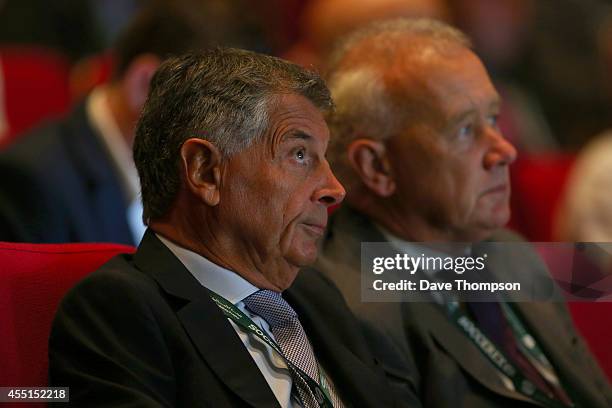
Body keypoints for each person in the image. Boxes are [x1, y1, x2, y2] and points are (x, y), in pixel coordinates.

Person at [48, 48, 404, 408]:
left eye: (324, 159)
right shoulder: (120, 310)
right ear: (205, 172)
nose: (334, 189)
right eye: (299, 155)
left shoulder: (315, 295)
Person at [316, 18, 612, 407]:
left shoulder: (509, 251)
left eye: (492, 119)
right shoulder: (347, 311)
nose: (504, 150)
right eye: (464, 130)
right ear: (378, 167)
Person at [0, 3, 214, 245]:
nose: (217, 134)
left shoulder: (187, 176)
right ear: (144, 85)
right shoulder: (34, 181)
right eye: (206, 110)